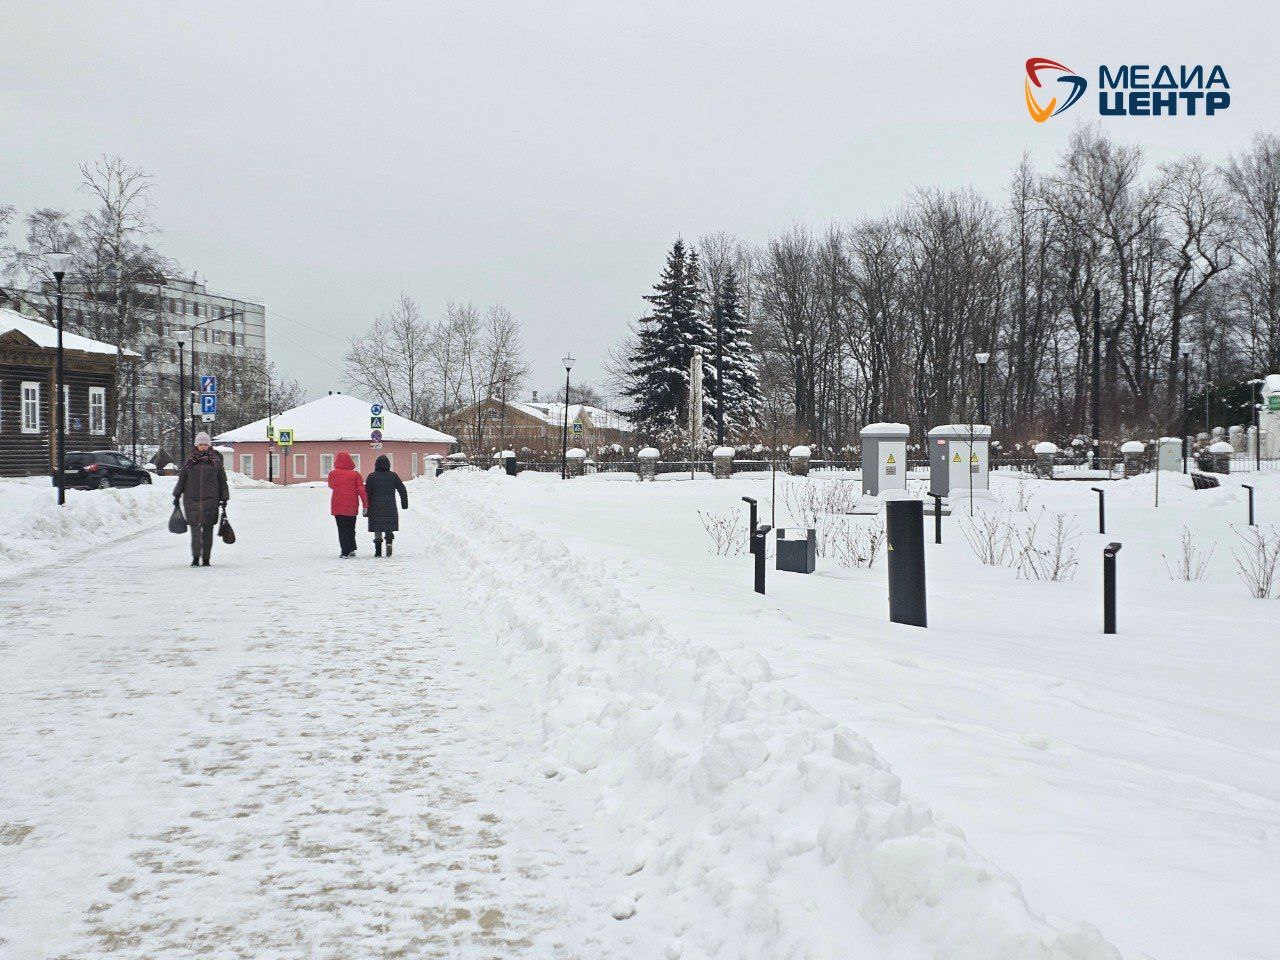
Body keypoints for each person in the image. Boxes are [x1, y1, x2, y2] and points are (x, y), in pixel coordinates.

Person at [173, 432, 229, 567]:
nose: (203, 446)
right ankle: (195, 557)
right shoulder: (190, 462)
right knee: (195, 531)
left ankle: (206, 558)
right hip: (191, 500)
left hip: (211, 500)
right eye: (200, 444)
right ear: (196, 445)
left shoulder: (215, 462)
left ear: (209, 445)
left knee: (208, 530)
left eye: (205, 444)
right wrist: (177, 494)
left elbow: (222, 481)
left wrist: (224, 497)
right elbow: (182, 479)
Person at [364, 454, 408, 557]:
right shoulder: (393, 476)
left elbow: (367, 492)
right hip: (390, 505)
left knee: (377, 527)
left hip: (375, 506)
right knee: (388, 525)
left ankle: (378, 551)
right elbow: (402, 489)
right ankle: (389, 543)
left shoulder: (372, 476)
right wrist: (404, 504)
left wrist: (366, 506)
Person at [327, 450, 367, 558]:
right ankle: (352, 549)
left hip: (338, 506)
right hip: (352, 506)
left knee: (342, 529)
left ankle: (345, 552)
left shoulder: (333, 474)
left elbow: (331, 486)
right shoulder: (355, 474)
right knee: (351, 528)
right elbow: (361, 490)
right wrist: (365, 505)